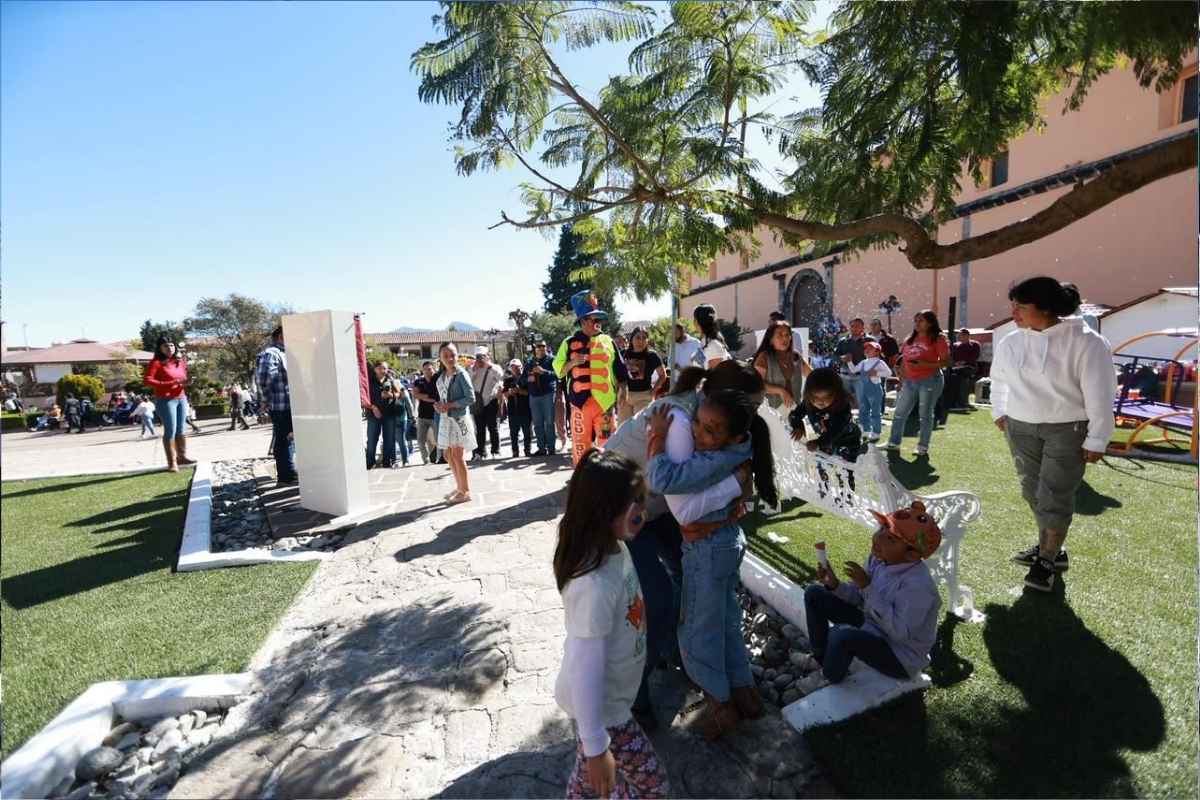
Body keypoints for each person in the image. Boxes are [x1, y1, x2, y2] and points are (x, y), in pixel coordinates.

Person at [603, 361, 766, 732]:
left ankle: (686, 661)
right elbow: (684, 504)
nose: (751, 416)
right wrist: (735, 485)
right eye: (752, 406)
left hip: (652, 507)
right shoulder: (680, 423)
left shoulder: (708, 417)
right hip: (616, 508)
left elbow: (689, 491)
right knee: (657, 600)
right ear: (720, 398)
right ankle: (633, 690)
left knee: (697, 591)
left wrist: (731, 493)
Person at [646, 389, 778, 740]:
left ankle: (720, 706)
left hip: (707, 551)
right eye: (698, 425)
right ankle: (744, 693)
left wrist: (658, 437)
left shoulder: (712, 460)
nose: (698, 436)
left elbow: (660, 480)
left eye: (710, 430)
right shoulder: (738, 446)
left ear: (733, 435)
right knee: (725, 620)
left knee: (696, 630)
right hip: (725, 542)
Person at [553, 449, 670, 799]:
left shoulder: (615, 544)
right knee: (653, 787)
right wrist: (594, 744)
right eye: (635, 501)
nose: (643, 508)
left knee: (592, 781)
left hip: (610, 702)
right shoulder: (594, 583)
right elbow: (585, 664)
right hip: (604, 710)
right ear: (605, 511)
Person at [991, 277, 1116, 592]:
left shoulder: (1086, 342)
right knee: (1032, 492)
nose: (1014, 312)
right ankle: (1052, 549)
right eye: (1013, 305)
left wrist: (1097, 438)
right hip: (1020, 426)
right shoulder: (1011, 341)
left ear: (1046, 308)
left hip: (1068, 429)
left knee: (1054, 495)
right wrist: (1000, 412)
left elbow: (1100, 394)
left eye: (1021, 305)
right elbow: (999, 380)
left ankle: (1046, 558)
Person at [796, 501, 942, 694]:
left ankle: (829, 676)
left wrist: (867, 587)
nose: (878, 538)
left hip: (899, 656)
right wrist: (835, 585)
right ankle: (820, 658)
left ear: (912, 555)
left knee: (842, 634)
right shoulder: (880, 560)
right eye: (882, 528)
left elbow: (899, 632)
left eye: (891, 539)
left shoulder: (918, 586)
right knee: (815, 594)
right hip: (873, 627)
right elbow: (859, 597)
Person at [553, 290, 629, 465]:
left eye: (599, 319)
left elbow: (620, 367)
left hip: (605, 405)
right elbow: (559, 371)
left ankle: (608, 477)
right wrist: (572, 363)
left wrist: (624, 389)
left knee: (608, 444)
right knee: (581, 445)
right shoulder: (568, 343)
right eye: (594, 319)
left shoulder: (608, 341)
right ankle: (582, 480)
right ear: (583, 321)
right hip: (579, 405)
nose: (598, 323)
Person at [882, 311, 951, 457]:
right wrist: (902, 379)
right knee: (900, 413)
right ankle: (893, 443)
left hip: (931, 380)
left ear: (930, 323)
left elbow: (946, 362)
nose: (917, 323)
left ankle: (922, 446)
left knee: (925, 414)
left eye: (921, 320)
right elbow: (905, 361)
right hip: (910, 381)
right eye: (916, 320)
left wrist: (925, 364)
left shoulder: (938, 339)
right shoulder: (910, 339)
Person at [788, 367, 863, 467]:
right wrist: (798, 427)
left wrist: (819, 443)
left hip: (847, 440)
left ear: (837, 394)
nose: (819, 402)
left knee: (846, 471)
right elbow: (795, 415)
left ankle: (860, 452)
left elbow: (835, 430)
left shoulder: (842, 407)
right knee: (822, 469)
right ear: (808, 394)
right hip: (824, 440)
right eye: (814, 397)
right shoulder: (808, 403)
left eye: (826, 397)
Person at [143, 337, 195, 471]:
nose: (170, 348)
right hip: (166, 400)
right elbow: (148, 380)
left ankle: (182, 457)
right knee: (170, 431)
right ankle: (172, 463)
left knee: (181, 429)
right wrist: (167, 384)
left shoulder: (180, 361)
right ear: (160, 348)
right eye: (166, 346)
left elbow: (181, 379)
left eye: (172, 345)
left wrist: (187, 382)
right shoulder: (156, 362)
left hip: (181, 398)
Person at [433, 342, 476, 503]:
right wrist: (439, 405)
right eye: (446, 356)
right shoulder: (443, 376)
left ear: (457, 356)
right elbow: (443, 397)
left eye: (453, 355)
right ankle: (459, 487)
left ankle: (465, 491)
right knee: (448, 454)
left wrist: (449, 405)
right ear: (440, 358)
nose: (450, 358)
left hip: (459, 419)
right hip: (446, 419)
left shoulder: (461, 374)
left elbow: (471, 398)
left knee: (458, 455)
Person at [256, 326, 298, 485]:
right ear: (281, 336)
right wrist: (266, 401)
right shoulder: (271, 353)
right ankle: (286, 476)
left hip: (288, 404)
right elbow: (264, 379)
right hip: (281, 405)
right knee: (283, 439)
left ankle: (288, 472)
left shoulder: (284, 353)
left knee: (288, 439)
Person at [753, 319, 812, 411]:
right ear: (771, 340)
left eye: (787, 335)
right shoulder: (764, 357)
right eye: (779, 335)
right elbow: (758, 384)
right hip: (772, 413)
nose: (784, 338)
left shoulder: (796, 356)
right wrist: (780, 391)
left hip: (795, 411)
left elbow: (812, 376)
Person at [619, 327, 666, 424]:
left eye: (644, 338)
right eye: (638, 337)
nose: (641, 341)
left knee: (641, 428)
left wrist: (653, 391)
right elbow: (617, 374)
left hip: (644, 397)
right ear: (631, 339)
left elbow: (662, 375)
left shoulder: (652, 356)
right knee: (623, 429)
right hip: (625, 396)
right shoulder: (623, 354)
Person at [850, 341, 892, 442]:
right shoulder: (863, 362)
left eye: (870, 348)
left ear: (877, 351)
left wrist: (877, 373)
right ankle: (866, 430)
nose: (867, 350)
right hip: (864, 390)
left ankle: (876, 433)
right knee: (863, 411)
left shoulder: (879, 362)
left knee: (875, 412)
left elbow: (889, 373)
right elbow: (853, 370)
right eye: (866, 348)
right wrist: (849, 361)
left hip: (875, 390)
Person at [470, 346, 504, 461]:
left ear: (487, 356)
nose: (480, 359)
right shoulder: (472, 368)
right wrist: (474, 370)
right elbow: (468, 382)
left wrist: (489, 367)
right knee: (479, 429)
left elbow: (501, 378)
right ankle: (480, 452)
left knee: (493, 428)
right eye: (478, 357)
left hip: (491, 400)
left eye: (482, 357)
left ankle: (495, 450)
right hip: (477, 403)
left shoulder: (494, 368)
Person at [525, 339, 558, 456]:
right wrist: (529, 378)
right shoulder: (529, 362)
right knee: (537, 424)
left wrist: (543, 372)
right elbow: (524, 378)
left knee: (549, 422)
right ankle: (541, 448)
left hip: (548, 394)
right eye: (538, 347)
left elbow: (558, 375)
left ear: (546, 347)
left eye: (543, 346)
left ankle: (551, 448)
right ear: (535, 349)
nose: (541, 348)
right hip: (534, 395)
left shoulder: (552, 360)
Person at [834, 318, 874, 412]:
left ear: (863, 328)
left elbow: (876, 357)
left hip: (861, 376)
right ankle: (846, 422)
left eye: (857, 326)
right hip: (845, 376)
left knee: (862, 402)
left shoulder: (870, 340)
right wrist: (842, 358)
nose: (854, 328)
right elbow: (834, 356)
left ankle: (865, 423)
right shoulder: (843, 341)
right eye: (852, 326)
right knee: (843, 402)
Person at [366, 361, 398, 469]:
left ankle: (386, 462)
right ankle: (370, 462)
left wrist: (391, 395)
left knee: (389, 439)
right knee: (372, 439)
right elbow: (363, 398)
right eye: (379, 368)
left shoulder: (391, 380)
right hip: (373, 414)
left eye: (384, 368)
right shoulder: (369, 381)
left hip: (389, 414)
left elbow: (398, 394)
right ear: (375, 369)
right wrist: (373, 408)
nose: (382, 370)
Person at [411, 361, 441, 465]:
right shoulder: (419, 381)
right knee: (420, 440)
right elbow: (415, 394)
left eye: (430, 369)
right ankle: (425, 460)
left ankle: (439, 458)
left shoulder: (438, 380)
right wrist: (427, 397)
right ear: (422, 370)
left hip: (435, 415)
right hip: (422, 416)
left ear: (434, 369)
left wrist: (423, 396)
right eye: (425, 369)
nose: (427, 371)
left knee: (438, 439)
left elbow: (437, 397)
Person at [501, 358, 532, 457]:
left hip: (525, 410)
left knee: (527, 432)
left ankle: (527, 450)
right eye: (513, 367)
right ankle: (515, 451)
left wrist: (519, 391)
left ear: (521, 367)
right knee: (513, 434)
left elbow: (530, 393)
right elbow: (504, 394)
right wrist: (510, 392)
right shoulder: (508, 380)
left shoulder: (526, 378)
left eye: (517, 367)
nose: (515, 369)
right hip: (512, 411)